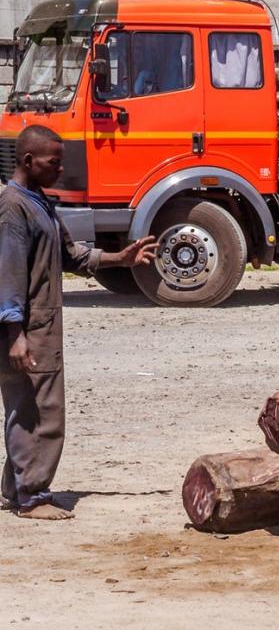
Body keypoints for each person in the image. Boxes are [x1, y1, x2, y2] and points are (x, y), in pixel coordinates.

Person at [0, 125, 157, 520]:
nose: (60, 169)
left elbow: (71, 255)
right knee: (39, 412)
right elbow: (9, 274)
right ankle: (31, 497)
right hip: (27, 328)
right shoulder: (13, 207)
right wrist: (15, 334)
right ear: (29, 162)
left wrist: (120, 259)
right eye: (54, 162)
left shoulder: (38, 201)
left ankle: (15, 489)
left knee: (30, 406)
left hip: (39, 323)